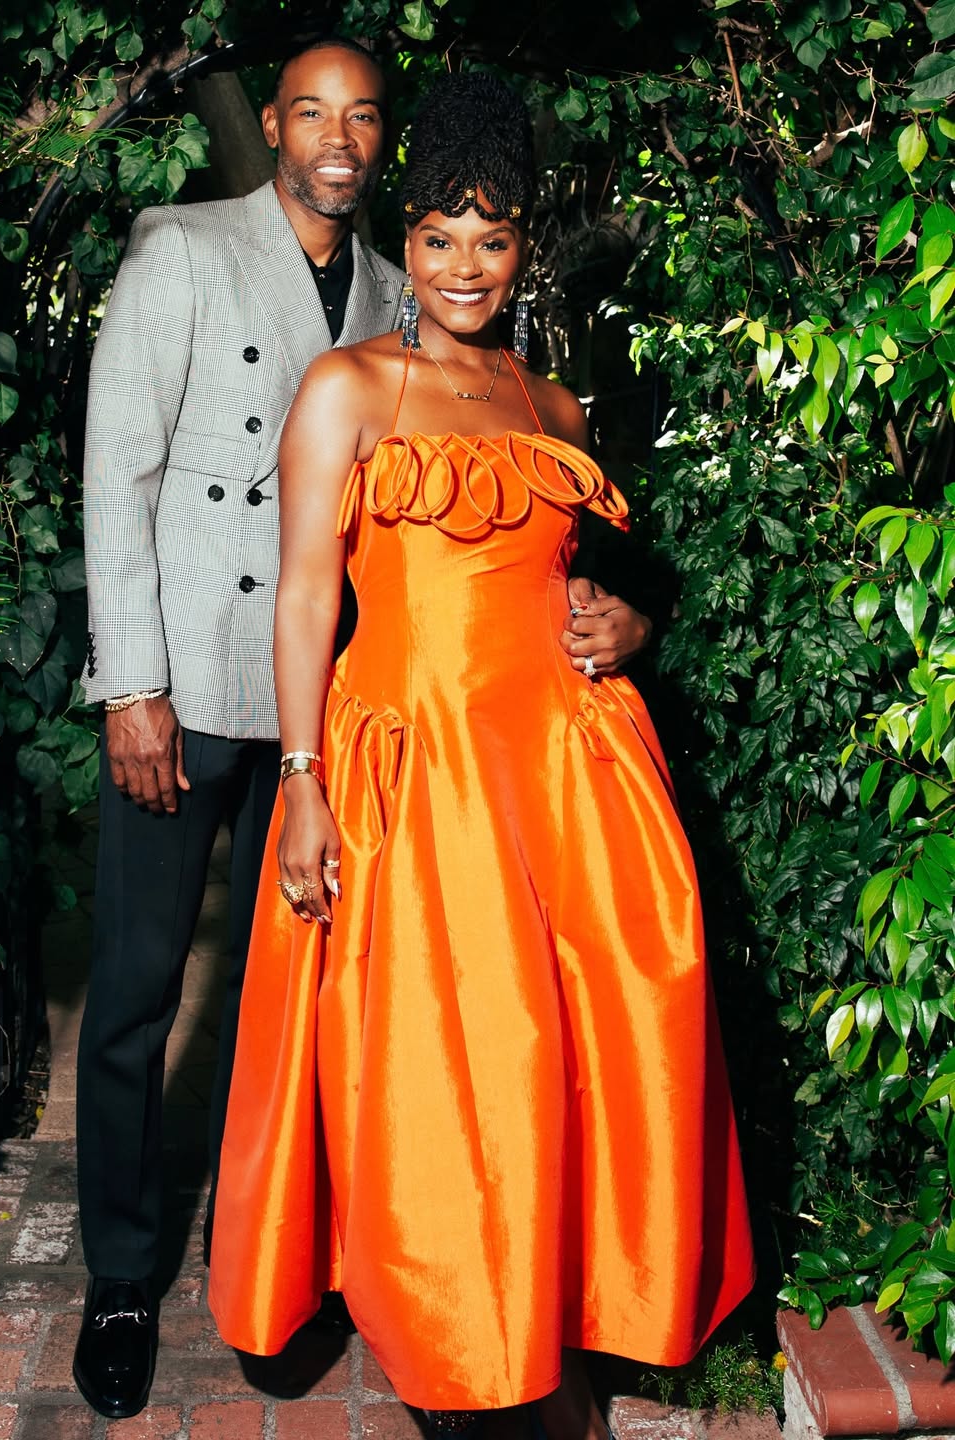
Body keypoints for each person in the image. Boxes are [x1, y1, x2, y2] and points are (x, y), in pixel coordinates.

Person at [73, 36, 647, 1423]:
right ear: (275, 125)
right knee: (145, 988)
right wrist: (129, 682)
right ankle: (123, 1282)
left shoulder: (407, 293)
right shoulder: (185, 250)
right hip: (202, 676)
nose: (339, 136)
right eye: (312, 112)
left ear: (387, 146)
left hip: (342, 698)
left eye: (363, 116)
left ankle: (335, 1249)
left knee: (323, 999)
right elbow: (118, 464)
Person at [208, 72, 754, 1440]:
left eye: (493, 239)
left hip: (564, 764)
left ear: (527, 248)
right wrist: (299, 778)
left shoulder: (551, 404)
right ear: (412, 234)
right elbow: (302, 600)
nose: (464, 266)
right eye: (442, 235)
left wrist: (623, 620)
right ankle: (465, 1344)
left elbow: (589, 580)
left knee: (597, 1033)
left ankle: (570, 1296)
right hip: (421, 770)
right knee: (459, 1063)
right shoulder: (351, 388)